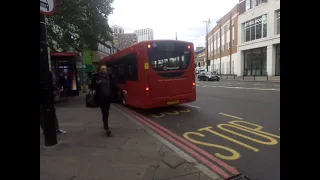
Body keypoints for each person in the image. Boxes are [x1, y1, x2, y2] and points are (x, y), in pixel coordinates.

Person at [90, 65, 118, 136]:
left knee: (106, 112)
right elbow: (91, 86)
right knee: (104, 112)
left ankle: (105, 124)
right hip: (101, 98)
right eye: (102, 69)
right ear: (99, 70)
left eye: (105, 69)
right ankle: (107, 127)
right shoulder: (96, 77)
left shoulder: (110, 76)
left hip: (108, 97)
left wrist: (121, 90)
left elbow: (114, 85)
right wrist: (96, 83)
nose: (104, 70)